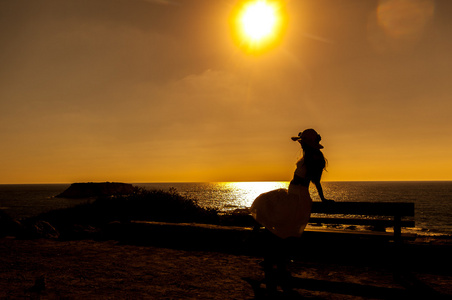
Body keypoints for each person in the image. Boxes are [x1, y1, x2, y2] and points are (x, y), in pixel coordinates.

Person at [249, 128, 333, 293]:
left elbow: (315, 180)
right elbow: (313, 180)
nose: (300, 145)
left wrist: (323, 198)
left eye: (302, 142)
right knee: (271, 220)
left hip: (297, 198)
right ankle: (273, 263)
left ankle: (271, 262)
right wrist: (322, 198)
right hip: (294, 195)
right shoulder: (309, 156)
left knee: (271, 221)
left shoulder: (313, 157)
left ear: (308, 144)